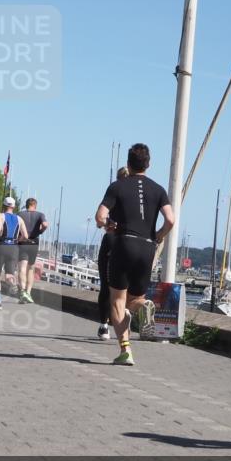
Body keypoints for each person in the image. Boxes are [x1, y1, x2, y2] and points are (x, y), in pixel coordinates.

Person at [95, 144, 175, 366]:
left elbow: (100, 216)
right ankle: (143, 305)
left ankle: (125, 350)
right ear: (148, 164)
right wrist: (159, 235)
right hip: (147, 247)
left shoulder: (117, 186)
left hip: (123, 244)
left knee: (117, 301)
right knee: (135, 298)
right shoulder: (158, 190)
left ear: (128, 163)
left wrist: (109, 224)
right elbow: (170, 219)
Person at [95, 168, 130, 339]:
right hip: (125, 242)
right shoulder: (130, 193)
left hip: (115, 240)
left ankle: (105, 325)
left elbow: (99, 219)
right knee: (119, 286)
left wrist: (108, 223)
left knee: (108, 287)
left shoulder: (116, 190)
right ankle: (112, 324)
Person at [0, 196, 28, 310]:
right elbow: (25, 236)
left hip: (1, 246)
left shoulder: (0, 216)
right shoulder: (19, 219)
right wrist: (17, 240)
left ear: (3, 205)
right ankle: (13, 284)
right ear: (14, 207)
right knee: (9, 275)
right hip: (13, 248)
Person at [16, 198, 49, 304]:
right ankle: (28, 292)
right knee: (31, 269)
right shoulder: (40, 214)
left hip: (22, 242)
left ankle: (22, 292)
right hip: (34, 243)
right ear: (35, 205)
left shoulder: (19, 214)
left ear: (26, 205)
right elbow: (45, 224)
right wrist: (40, 231)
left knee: (22, 268)